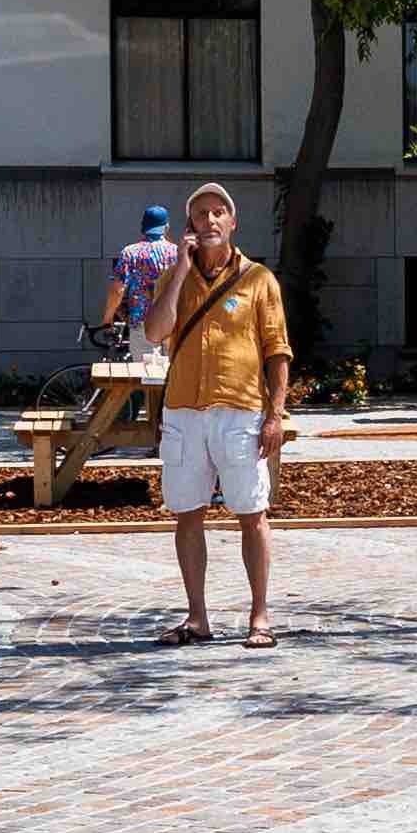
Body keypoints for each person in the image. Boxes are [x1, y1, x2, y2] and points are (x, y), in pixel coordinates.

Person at [155, 183, 295, 646]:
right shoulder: (173, 276)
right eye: (201, 214)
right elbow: (156, 331)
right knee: (187, 514)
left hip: (240, 411)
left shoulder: (259, 279)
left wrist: (275, 414)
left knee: (252, 512)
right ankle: (197, 618)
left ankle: (260, 617)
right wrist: (178, 271)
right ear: (189, 226)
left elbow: (278, 351)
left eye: (219, 213)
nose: (210, 220)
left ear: (232, 222)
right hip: (184, 412)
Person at [95, 205, 179, 357]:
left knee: (145, 376)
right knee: (174, 376)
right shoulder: (178, 253)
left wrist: (108, 317)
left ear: (143, 227)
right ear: (166, 227)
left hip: (143, 325)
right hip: (173, 323)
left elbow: (118, 290)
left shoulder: (130, 253)